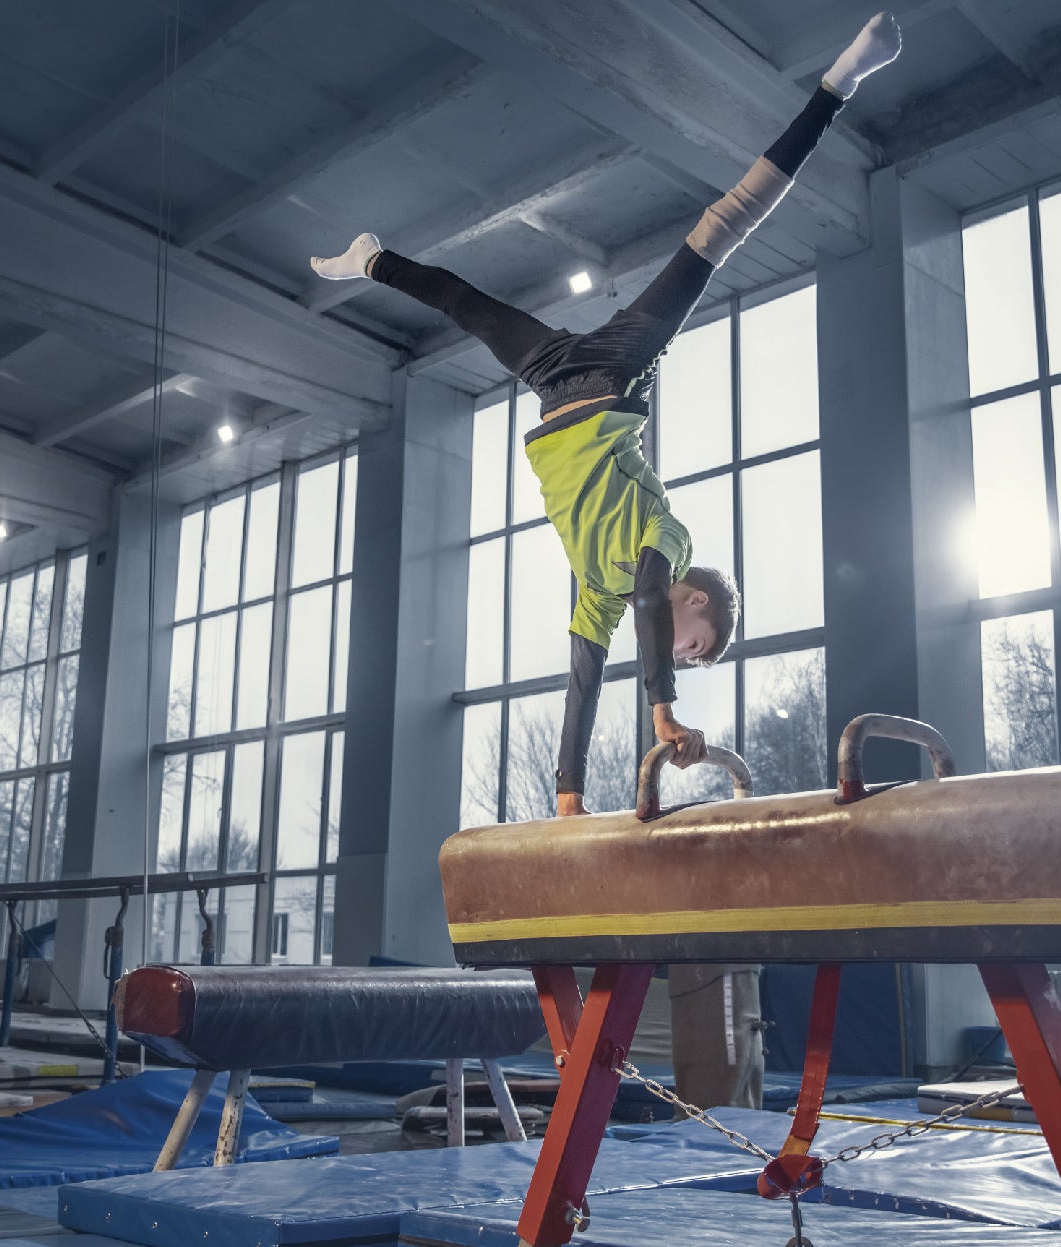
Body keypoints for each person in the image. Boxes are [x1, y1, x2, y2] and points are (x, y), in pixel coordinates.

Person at [312, 14, 902, 815]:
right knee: (722, 227)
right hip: (619, 372)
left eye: (682, 661)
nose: (676, 652)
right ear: (700, 604)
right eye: (693, 647)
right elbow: (653, 599)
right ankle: (838, 85)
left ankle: (371, 259)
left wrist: (566, 793)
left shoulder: (599, 589)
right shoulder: (667, 545)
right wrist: (662, 706)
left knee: (463, 304)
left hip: (557, 389)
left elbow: (583, 680)